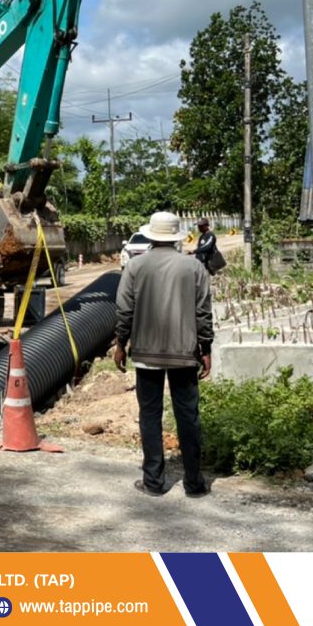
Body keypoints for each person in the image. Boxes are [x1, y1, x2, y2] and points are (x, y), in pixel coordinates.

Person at [114, 210, 213, 498]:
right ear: (176, 237)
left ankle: (154, 482)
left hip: (146, 354)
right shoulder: (194, 268)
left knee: (150, 415)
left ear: (151, 235)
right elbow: (203, 314)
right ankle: (194, 484)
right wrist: (205, 349)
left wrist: (121, 344)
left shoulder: (135, 267)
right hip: (185, 353)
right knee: (188, 416)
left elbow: (124, 310)